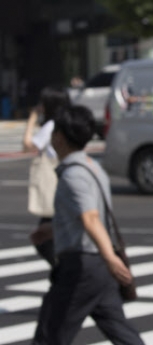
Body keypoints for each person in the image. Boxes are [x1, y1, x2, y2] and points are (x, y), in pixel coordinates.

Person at [32, 105, 144, 345]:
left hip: (82, 266)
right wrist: (53, 229)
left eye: (53, 132)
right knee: (121, 332)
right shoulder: (93, 168)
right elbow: (88, 216)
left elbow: (91, 218)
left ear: (59, 137)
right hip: (97, 268)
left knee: (50, 333)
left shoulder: (74, 175)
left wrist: (110, 259)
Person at [23, 86, 71, 265]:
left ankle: (63, 270)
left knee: (43, 238)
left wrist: (32, 118)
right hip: (66, 185)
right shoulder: (66, 123)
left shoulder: (50, 126)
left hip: (54, 191)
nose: (40, 106)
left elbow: (27, 145)